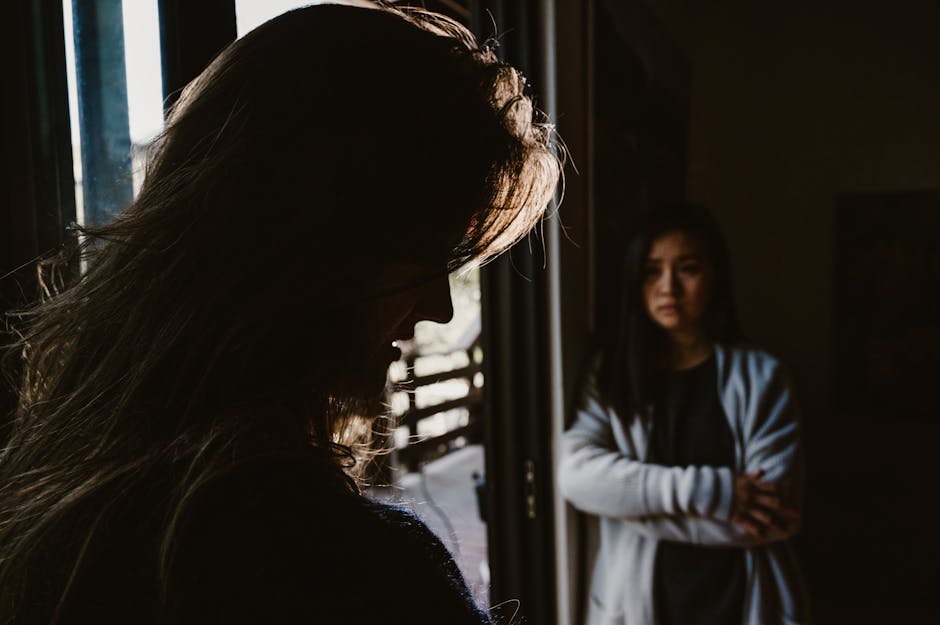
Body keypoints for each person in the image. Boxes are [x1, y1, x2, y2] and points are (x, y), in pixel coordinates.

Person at [0, 4, 560, 624]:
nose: (437, 306)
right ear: (315, 241)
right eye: (424, 258)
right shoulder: (338, 570)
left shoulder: (57, 487)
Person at [559, 203, 809, 625]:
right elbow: (577, 477)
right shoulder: (611, 373)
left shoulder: (764, 376)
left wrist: (630, 501)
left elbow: (775, 516)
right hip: (640, 601)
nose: (668, 288)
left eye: (687, 269)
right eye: (651, 270)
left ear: (716, 275)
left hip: (742, 599)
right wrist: (720, 493)